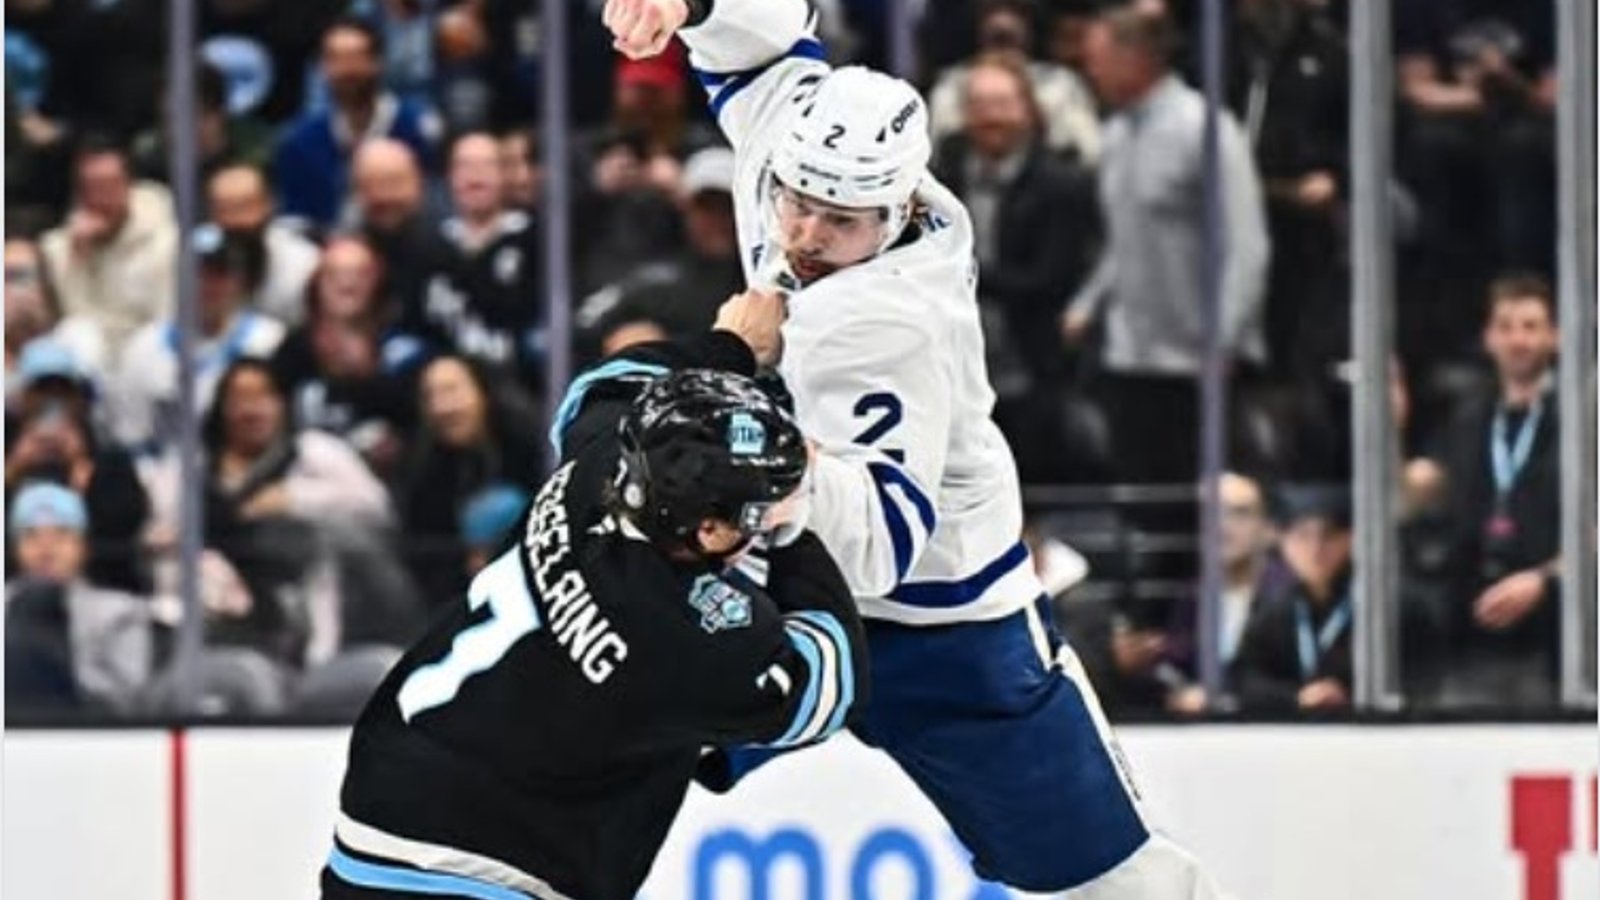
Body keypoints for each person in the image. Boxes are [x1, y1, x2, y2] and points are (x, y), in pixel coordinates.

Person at [604, 0, 1235, 895]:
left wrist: (765, 455)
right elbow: (771, 42)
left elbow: (884, 548)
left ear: (897, 210)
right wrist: (690, 6)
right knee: (588, 728)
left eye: (840, 220)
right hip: (781, 585)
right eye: (796, 202)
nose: (804, 236)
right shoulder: (795, 152)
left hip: (947, 629)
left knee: (1119, 886)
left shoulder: (897, 322)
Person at [321, 319, 869, 900]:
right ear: (707, 527)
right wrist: (793, 526)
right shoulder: (682, 632)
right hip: (486, 864)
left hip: (383, 805)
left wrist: (726, 348)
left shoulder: (599, 466)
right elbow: (825, 683)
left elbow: (606, 384)